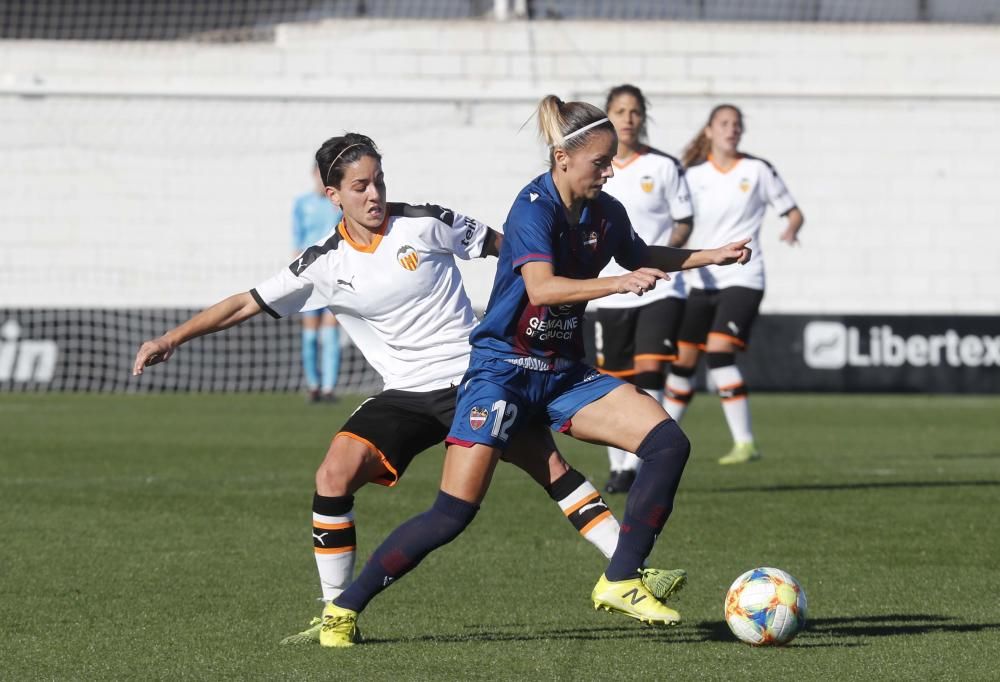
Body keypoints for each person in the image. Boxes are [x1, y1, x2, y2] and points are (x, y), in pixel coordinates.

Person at [131, 133, 685, 647]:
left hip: (477, 376)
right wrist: (172, 338)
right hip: (406, 394)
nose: (375, 194)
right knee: (333, 474)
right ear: (333, 195)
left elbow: (512, 248)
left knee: (551, 469)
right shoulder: (323, 263)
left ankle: (629, 572)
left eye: (379, 181)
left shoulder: (427, 222)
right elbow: (245, 301)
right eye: (360, 186)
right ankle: (334, 611)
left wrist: (549, 300)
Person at [318, 98, 751, 647]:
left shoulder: (605, 211)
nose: (609, 170)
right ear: (562, 157)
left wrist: (709, 255)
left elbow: (641, 252)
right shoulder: (532, 208)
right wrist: (616, 284)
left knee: (668, 443)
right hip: (501, 374)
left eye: (611, 160)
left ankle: (621, 579)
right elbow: (542, 288)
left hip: (561, 372)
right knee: (452, 513)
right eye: (600, 161)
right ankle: (343, 609)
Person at [665, 104, 804, 465]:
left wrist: (790, 227)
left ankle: (745, 443)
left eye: (736, 124)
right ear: (709, 131)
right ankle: (660, 437)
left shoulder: (757, 170)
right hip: (701, 279)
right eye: (724, 124)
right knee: (682, 361)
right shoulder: (691, 176)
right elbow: (676, 221)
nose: (732, 129)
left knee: (718, 351)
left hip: (743, 275)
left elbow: (793, 211)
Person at [593, 84, 694, 494]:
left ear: (643, 116)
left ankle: (641, 460)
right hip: (610, 289)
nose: (628, 118)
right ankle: (619, 466)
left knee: (651, 372)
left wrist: (661, 254)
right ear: (607, 116)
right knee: (615, 379)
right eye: (620, 110)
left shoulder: (665, 166)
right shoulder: (595, 167)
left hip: (660, 288)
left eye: (635, 111)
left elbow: (684, 219)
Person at [292, 166, 343, 402]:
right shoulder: (302, 204)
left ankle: (328, 388)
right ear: (314, 175)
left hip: (334, 275)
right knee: (310, 335)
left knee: (330, 333)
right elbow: (297, 240)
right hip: (310, 275)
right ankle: (313, 385)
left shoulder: (338, 205)